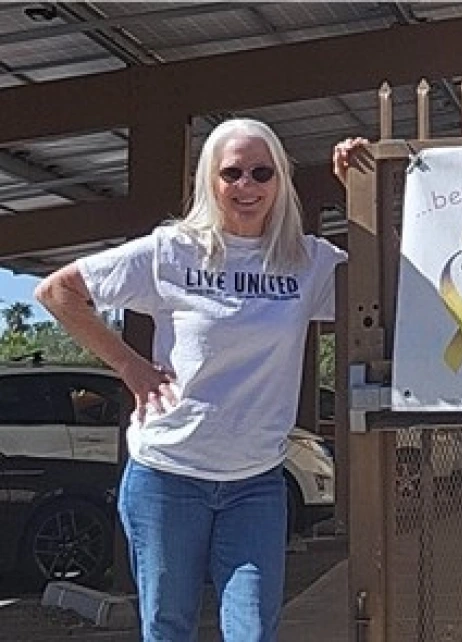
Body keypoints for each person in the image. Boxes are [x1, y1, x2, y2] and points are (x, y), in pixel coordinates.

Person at [35, 119, 349, 641]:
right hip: (167, 475)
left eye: (261, 172)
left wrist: (356, 191)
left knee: (252, 629)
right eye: (232, 173)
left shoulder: (307, 260)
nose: (246, 186)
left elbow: (394, 288)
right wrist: (131, 367)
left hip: (257, 482)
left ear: (279, 181)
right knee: (169, 626)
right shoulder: (172, 251)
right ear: (211, 180)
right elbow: (58, 292)